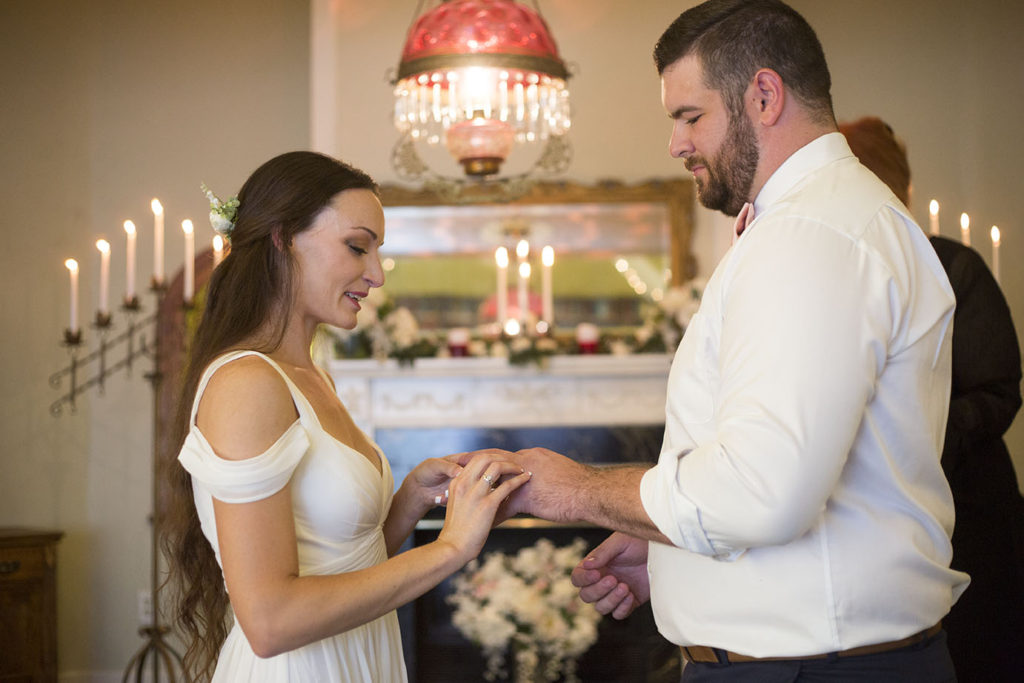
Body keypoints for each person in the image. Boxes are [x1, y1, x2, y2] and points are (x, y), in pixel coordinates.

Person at [473, 1, 968, 680]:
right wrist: (672, 547)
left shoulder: (810, 236)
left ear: (763, 95)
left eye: (689, 116)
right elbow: (803, 475)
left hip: (811, 669)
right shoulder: (822, 221)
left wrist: (577, 489)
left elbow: (762, 492)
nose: (676, 144)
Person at [161, 151, 530, 682]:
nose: (376, 275)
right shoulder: (248, 383)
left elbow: (341, 561)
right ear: (282, 238)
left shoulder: (312, 376)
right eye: (357, 247)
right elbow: (269, 622)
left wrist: (410, 500)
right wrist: (450, 549)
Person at [840, 116, 1024, 682]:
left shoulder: (953, 268)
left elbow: (998, 392)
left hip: (966, 507)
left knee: (976, 652)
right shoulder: (833, 275)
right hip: (871, 522)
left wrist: (904, 428)